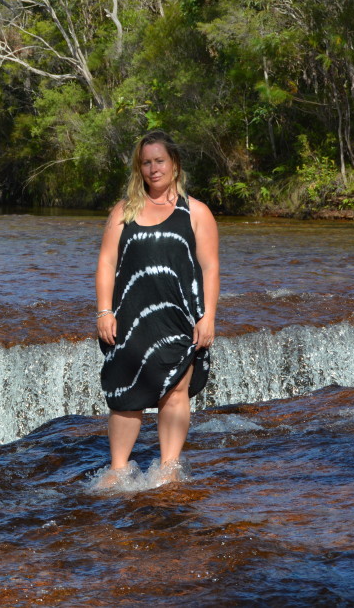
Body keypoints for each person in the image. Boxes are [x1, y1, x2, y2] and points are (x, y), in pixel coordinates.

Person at [95, 130, 219, 485]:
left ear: (175, 164)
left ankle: (168, 468)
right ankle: (118, 469)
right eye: (146, 163)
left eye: (159, 161)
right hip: (130, 317)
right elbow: (106, 262)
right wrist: (104, 311)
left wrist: (208, 316)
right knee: (125, 393)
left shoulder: (196, 213)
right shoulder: (124, 211)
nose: (153, 169)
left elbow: (210, 267)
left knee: (176, 390)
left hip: (179, 315)